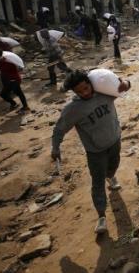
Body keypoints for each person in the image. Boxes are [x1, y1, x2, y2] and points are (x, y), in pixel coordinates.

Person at [51, 70, 131, 234]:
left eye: (86, 88)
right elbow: (60, 129)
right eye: (79, 91)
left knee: (113, 166)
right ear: (74, 92)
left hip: (115, 141)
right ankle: (101, 216)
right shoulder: (73, 110)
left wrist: (125, 82)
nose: (85, 93)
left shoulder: (105, 94)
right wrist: (55, 147)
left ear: (91, 84)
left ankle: (111, 175)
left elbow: (124, 87)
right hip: (95, 151)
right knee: (97, 181)